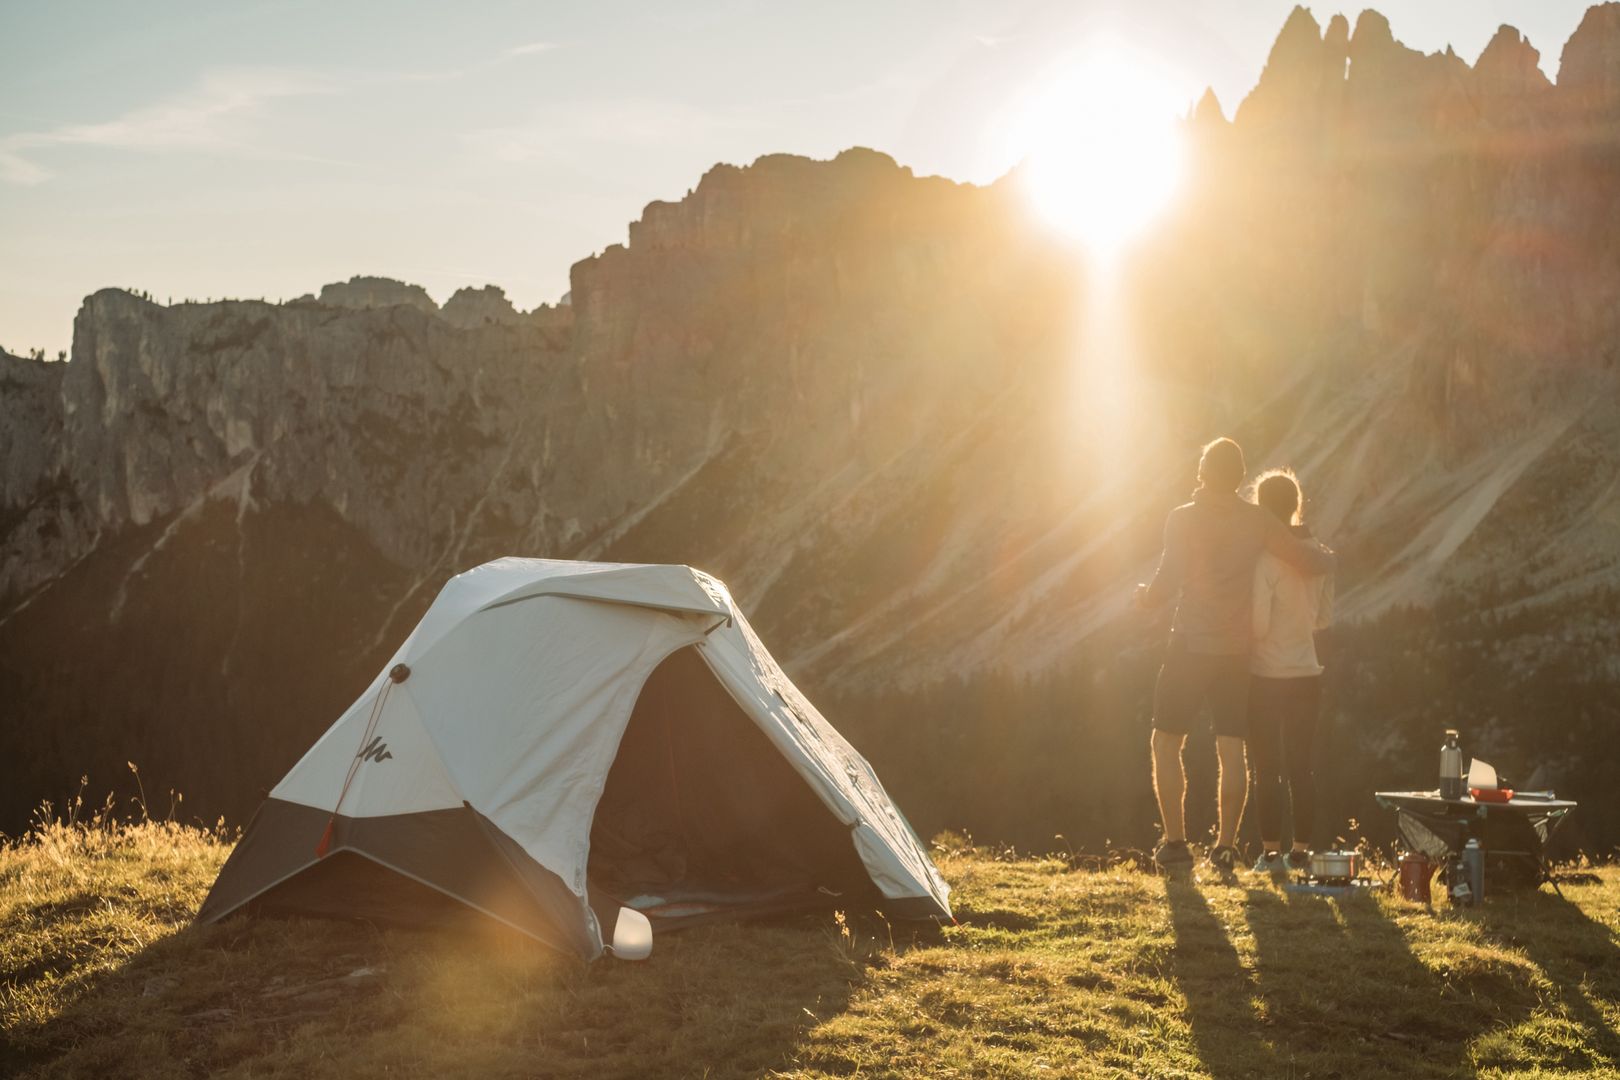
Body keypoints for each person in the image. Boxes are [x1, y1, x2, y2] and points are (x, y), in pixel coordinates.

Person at [1134, 437, 1335, 874]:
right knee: (1231, 747)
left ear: (1203, 473)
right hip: (1236, 653)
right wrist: (1327, 559)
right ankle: (1225, 848)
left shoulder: (1182, 519)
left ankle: (1175, 845)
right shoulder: (1259, 521)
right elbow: (1300, 558)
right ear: (1241, 477)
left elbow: (1167, 581)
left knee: (1166, 741)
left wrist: (1144, 599)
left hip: (1189, 645)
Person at [1247, 468, 1333, 875]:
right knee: (1302, 765)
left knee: (1266, 768)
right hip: (1306, 674)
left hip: (1266, 677)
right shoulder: (1321, 556)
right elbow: (1323, 620)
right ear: (1296, 506)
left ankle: (1269, 855)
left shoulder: (1264, 560)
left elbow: (1258, 626)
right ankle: (1300, 852)